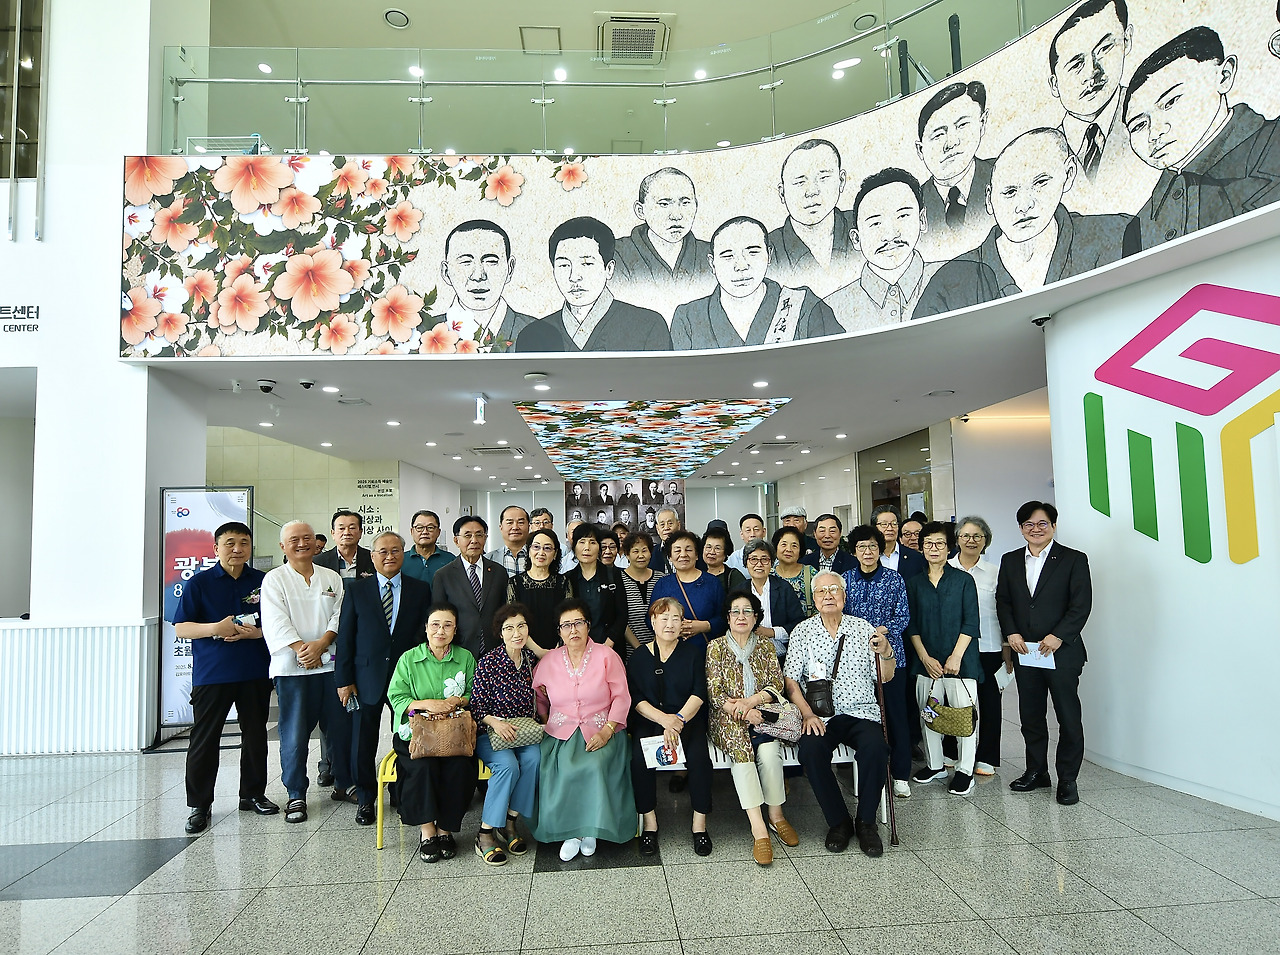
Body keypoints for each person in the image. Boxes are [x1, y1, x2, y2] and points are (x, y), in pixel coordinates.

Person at [915, 127, 1132, 317]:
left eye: (1040, 182)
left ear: (1068, 174)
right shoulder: (949, 284)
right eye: (1010, 192)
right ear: (989, 199)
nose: (1024, 205)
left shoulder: (1118, 235)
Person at [1122, 26, 1280, 252]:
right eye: (1138, 125)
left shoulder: (1272, 145)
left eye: (1171, 102)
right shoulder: (1139, 228)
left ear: (1224, 76)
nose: (1154, 133)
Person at [174, 521, 276, 834]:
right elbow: (182, 628)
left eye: (243, 543)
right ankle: (199, 804)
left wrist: (257, 633)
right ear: (216, 548)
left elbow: (277, 623)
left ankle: (253, 794)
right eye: (230, 543)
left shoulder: (263, 581)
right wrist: (215, 628)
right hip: (212, 674)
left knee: (255, 735)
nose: (237, 549)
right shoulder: (200, 583)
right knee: (205, 739)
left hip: (254, 671)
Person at [785, 571, 894, 857]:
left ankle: (866, 822)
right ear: (814, 599)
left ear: (844, 596)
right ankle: (839, 821)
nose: (828, 595)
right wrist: (807, 714)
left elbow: (884, 677)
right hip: (821, 716)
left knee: (876, 748)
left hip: (861, 711)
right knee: (810, 751)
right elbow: (791, 681)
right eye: (821, 591)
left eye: (834, 589)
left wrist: (886, 652)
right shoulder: (802, 632)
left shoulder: (862, 628)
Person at [996, 501, 1092, 805]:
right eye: (1029, 524)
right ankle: (1037, 771)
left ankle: (1068, 779)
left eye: (1042, 524)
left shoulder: (1074, 559)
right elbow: (1003, 601)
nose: (1035, 529)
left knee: (1068, 717)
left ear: (1053, 526)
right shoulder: (1010, 560)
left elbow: (1081, 604)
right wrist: (1011, 633)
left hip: (1062, 652)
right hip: (1026, 651)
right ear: (1021, 528)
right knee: (1031, 716)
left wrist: (1059, 635)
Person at [333, 531, 433, 825]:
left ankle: (401, 792)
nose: (390, 556)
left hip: (406, 677)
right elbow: (346, 637)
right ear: (373, 556)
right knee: (362, 740)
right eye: (383, 552)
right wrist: (343, 680)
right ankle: (366, 798)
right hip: (366, 677)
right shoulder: (356, 590)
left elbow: (422, 635)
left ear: (404, 553)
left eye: (395, 551)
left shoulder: (420, 589)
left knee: (406, 735)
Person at [261, 521, 352, 823]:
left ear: (316, 542)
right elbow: (276, 622)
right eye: (294, 539)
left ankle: (344, 782)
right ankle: (296, 793)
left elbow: (340, 615)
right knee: (295, 734)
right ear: (282, 546)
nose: (302, 544)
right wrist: (304, 649)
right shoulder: (275, 579)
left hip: (331, 666)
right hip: (292, 669)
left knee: (339, 729)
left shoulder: (331, 577)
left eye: (307, 538)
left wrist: (322, 645)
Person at [531, 599, 635, 860]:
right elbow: (539, 696)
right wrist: (546, 720)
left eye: (578, 623)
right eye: (566, 625)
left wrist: (607, 730)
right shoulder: (549, 661)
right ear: (559, 631)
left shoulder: (607, 656)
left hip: (602, 729)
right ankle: (573, 833)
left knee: (595, 766)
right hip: (561, 733)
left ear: (588, 625)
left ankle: (591, 830)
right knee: (562, 769)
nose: (573, 630)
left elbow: (622, 697)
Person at [706, 589, 798, 865]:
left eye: (748, 611)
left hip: (762, 714)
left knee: (769, 753)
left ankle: (776, 816)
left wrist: (752, 703)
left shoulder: (766, 646)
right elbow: (715, 692)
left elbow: (776, 685)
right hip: (727, 719)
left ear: (756, 617)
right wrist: (744, 712)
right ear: (727, 617)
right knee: (742, 754)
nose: (741, 616)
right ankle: (759, 829)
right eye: (735, 611)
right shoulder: (716, 647)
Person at [385, 602, 478, 864]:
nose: (441, 631)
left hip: (454, 734)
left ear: (455, 630)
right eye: (435, 625)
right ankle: (427, 830)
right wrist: (427, 704)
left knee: (459, 767)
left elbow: (474, 692)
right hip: (416, 734)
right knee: (422, 768)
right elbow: (396, 696)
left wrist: (457, 701)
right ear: (426, 628)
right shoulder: (409, 659)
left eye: (448, 625)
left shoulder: (465, 658)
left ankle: (445, 829)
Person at [671, 216, 842, 349]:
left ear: (769, 255)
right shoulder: (688, 317)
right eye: (728, 256)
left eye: (753, 252)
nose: (741, 266)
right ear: (712, 263)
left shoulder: (805, 305)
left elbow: (836, 364)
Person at [627, 597, 714, 856]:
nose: (670, 624)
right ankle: (650, 824)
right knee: (638, 761)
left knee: (699, 759)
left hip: (686, 719)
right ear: (653, 622)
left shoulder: (692, 653)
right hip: (651, 719)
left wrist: (677, 721)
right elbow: (636, 699)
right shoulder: (639, 657)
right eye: (664, 618)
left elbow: (699, 692)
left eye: (676, 618)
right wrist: (664, 720)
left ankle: (699, 826)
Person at [514, 216, 672, 352]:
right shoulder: (533, 335)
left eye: (586, 264)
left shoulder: (648, 325)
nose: (574, 277)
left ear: (609, 269)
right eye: (564, 265)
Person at [907, 522, 983, 796]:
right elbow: (911, 625)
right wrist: (925, 657)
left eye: (939, 543)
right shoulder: (914, 583)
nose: (934, 548)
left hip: (961, 662)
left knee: (964, 717)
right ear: (921, 548)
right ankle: (935, 764)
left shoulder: (963, 580)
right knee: (929, 714)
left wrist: (956, 656)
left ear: (949, 547)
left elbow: (971, 622)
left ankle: (965, 770)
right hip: (926, 663)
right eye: (928, 543)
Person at [825, 168, 943, 332]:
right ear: (856, 239)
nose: (890, 235)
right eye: (875, 223)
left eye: (902, 216)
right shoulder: (829, 309)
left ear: (922, 220)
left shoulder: (958, 275)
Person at [470, 603, 543, 866]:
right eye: (509, 628)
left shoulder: (531, 661)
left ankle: (510, 822)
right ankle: (485, 832)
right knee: (508, 766)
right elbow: (476, 706)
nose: (516, 633)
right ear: (500, 633)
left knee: (534, 759)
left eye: (521, 626)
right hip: (491, 733)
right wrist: (496, 723)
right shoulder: (488, 662)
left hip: (523, 732)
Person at [842, 525, 912, 797]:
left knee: (895, 715)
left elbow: (903, 616)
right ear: (854, 551)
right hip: (856, 661)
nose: (867, 551)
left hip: (890, 657)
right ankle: (870, 773)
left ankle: (901, 774)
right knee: (865, 717)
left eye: (872, 546)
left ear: (880, 549)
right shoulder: (846, 579)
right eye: (861, 546)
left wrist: (883, 631)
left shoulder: (894, 579)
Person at [1048, 0, 1133, 183]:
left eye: (1104, 49)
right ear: (1054, 85)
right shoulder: (1043, 151)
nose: (1092, 72)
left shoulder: (1154, 116)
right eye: (1076, 65)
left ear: (1126, 40)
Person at [950, 516, 1009, 776]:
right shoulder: (946, 569)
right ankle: (952, 751)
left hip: (989, 646)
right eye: (965, 535)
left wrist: (1006, 644)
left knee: (989, 702)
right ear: (957, 539)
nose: (971, 540)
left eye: (977, 536)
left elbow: (1004, 610)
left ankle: (986, 756)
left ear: (986, 541)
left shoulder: (995, 573)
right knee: (954, 700)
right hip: (954, 648)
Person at [427, 219, 536, 352]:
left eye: (491, 261)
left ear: (510, 269)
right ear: (446, 272)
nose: (478, 276)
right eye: (465, 262)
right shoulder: (424, 334)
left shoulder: (538, 331)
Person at [914, 80, 994, 250]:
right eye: (938, 135)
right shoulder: (913, 206)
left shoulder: (1003, 175)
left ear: (982, 123)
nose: (951, 143)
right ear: (920, 150)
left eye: (962, 125)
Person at [767, 139, 856, 286]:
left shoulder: (863, 225)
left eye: (823, 178)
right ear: (782, 193)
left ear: (841, 181)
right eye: (799, 182)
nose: (812, 192)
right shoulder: (767, 249)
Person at [612, 167, 713, 293]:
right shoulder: (617, 253)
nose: (676, 215)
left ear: (696, 205)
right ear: (640, 210)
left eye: (685, 203)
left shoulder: (711, 254)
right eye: (664, 204)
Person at [431, 516, 509, 661]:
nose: (474, 540)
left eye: (479, 535)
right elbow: (439, 616)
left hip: (495, 649)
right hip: (459, 650)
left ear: (485, 538)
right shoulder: (443, 575)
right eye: (467, 535)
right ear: (456, 540)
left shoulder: (499, 572)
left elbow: (504, 609)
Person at [649, 530, 726, 650]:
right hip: (671, 652)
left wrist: (705, 626)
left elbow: (725, 618)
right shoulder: (662, 584)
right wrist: (672, 628)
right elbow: (650, 619)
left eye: (688, 550)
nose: (683, 554)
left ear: (697, 555)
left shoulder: (712, 582)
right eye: (677, 550)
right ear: (670, 557)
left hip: (706, 651)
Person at [507, 527, 572, 653]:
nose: (541, 552)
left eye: (547, 548)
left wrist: (555, 651)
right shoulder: (515, 583)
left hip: (559, 651)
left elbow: (569, 620)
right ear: (529, 551)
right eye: (536, 547)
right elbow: (514, 622)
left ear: (555, 554)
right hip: (524, 651)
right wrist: (538, 651)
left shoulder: (563, 582)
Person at [564, 523, 627, 649]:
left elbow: (622, 614)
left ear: (599, 547)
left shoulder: (613, 575)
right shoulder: (567, 579)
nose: (587, 548)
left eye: (592, 542)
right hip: (577, 648)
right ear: (574, 546)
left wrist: (609, 643)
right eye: (582, 542)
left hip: (610, 647)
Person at [741, 538, 805, 661]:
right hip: (747, 656)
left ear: (771, 563)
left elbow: (798, 623)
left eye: (764, 559)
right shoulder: (739, 591)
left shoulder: (784, 588)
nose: (759, 564)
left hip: (780, 656)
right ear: (746, 563)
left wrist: (772, 632)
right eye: (753, 559)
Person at [621, 531, 664, 656]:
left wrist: (655, 647)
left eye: (644, 550)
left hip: (661, 650)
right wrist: (640, 649)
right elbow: (621, 620)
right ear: (627, 554)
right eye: (635, 551)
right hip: (630, 653)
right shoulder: (619, 580)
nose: (641, 555)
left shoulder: (661, 579)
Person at [872, 506, 927, 581]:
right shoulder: (867, 557)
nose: (890, 528)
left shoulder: (915, 557)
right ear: (874, 527)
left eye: (894, 523)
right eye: (884, 524)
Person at [315, 509, 374, 579]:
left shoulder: (373, 559)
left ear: (360, 533)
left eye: (352, 528)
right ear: (333, 533)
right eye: (341, 528)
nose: (346, 533)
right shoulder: (318, 562)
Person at [771, 525, 816, 616]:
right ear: (776, 548)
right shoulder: (768, 575)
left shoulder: (810, 574)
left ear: (800, 551)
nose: (789, 549)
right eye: (784, 544)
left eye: (794, 546)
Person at [404, 509, 452, 585]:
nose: (425, 532)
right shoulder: (400, 560)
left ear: (438, 532)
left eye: (430, 527)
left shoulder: (451, 560)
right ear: (412, 531)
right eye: (419, 527)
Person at [702, 523, 746, 594]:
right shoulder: (698, 574)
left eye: (717, 548)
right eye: (708, 547)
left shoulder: (733, 576)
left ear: (725, 552)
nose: (712, 552)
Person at [486, 504, 530, 576]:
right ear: (501, 527)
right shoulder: (488, 559)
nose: (515, 527)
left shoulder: (539, 556)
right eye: (509, 523)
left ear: (529, 526)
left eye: (520, 523)